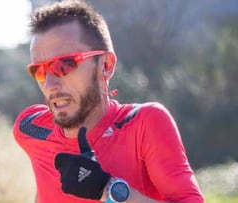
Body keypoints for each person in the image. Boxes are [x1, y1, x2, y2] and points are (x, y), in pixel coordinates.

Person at [13, 0, 204, 202]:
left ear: (105, 64)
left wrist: (107, 189)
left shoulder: (143, 124)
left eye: (64, 65)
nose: (50, 85)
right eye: (39, 71)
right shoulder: (30, 127)